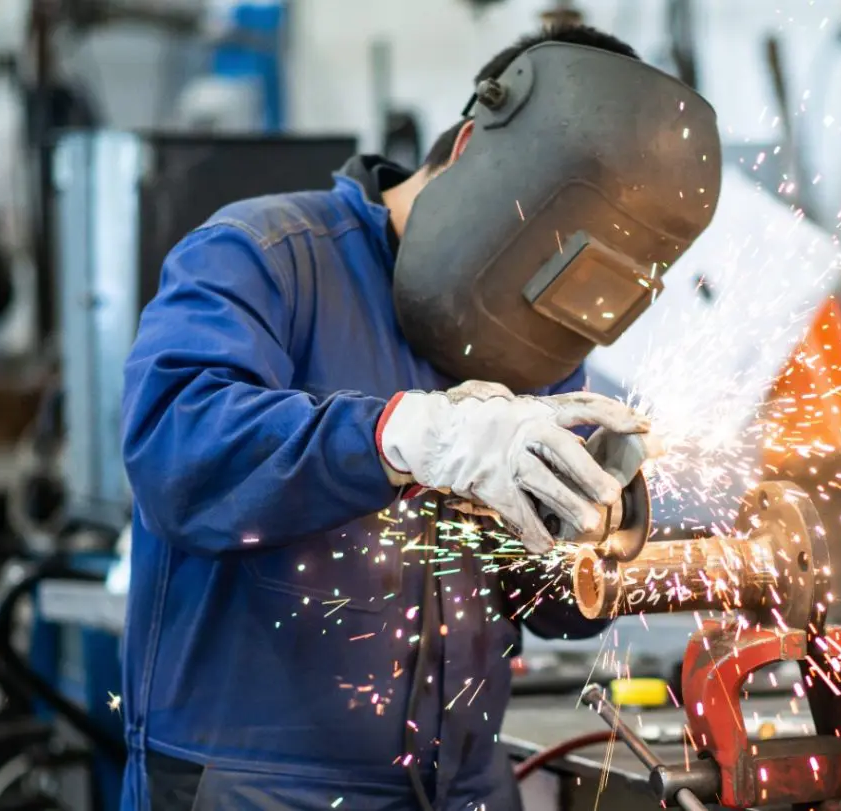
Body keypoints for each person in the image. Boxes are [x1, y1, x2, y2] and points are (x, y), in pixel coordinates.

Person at [120, 22, 721, 811]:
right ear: (472, 147)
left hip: (463, 788)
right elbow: (175, 447)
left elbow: (543, 603)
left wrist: (593, 529)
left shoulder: (535, 342)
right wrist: (404, 436)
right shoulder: (266, 252)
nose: (550, 304)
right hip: (259, 788)